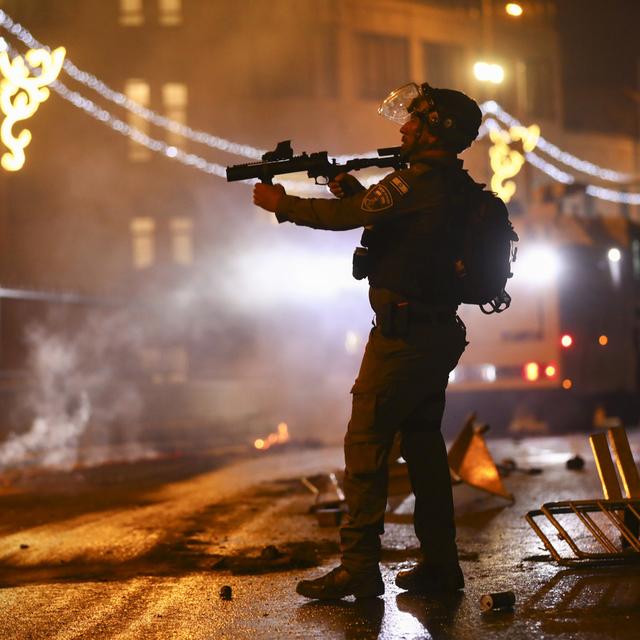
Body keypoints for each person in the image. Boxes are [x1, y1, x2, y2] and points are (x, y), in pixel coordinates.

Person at [252, 82, 483, 600]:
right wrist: (352, 189)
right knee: (423, 452)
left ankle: (358, 569)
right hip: (434, 332)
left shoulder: (416, 181)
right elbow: (398, 231)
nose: (403, 128)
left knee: (366, 448)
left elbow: (345, 220)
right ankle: (441, 568)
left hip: (403, 340)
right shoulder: (452, 185)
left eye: (414, 121)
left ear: (434, 131)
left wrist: (281, 202)